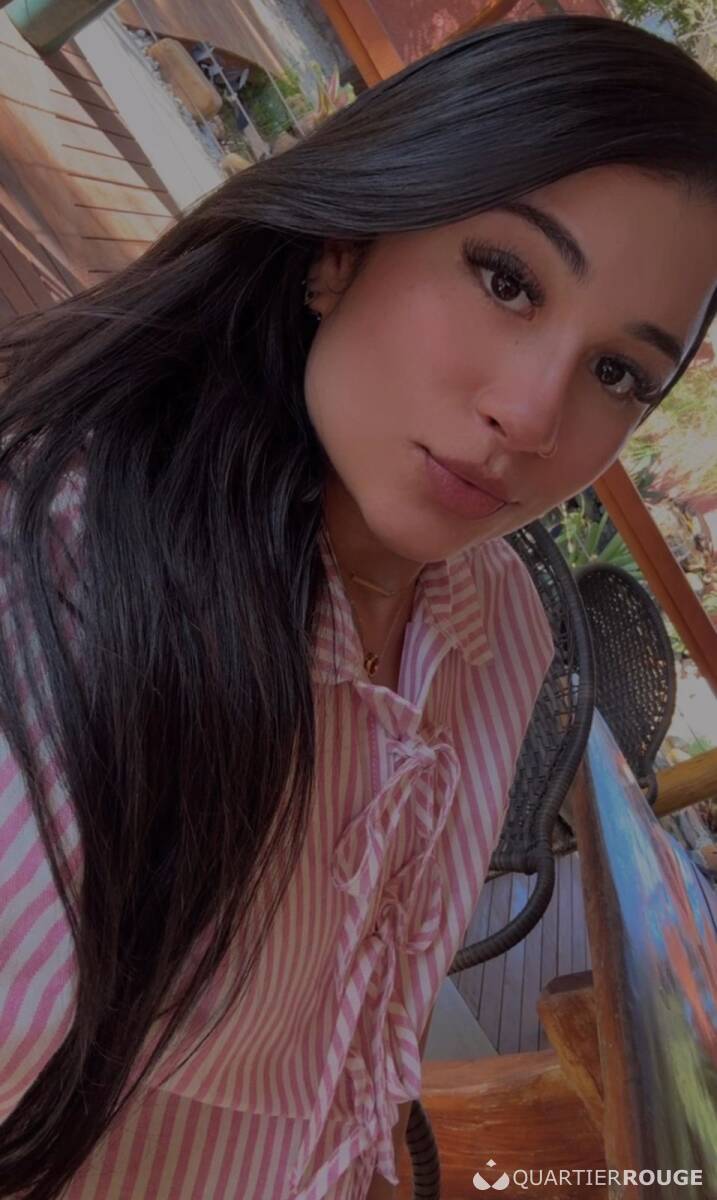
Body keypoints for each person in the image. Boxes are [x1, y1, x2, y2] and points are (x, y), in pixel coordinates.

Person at [0, 13, 715, 1200]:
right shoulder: (78, 591)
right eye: (506, 279)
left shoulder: (499, 628)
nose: (534, 415)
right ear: (345, 242)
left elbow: (362, 1055)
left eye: (616, 373)